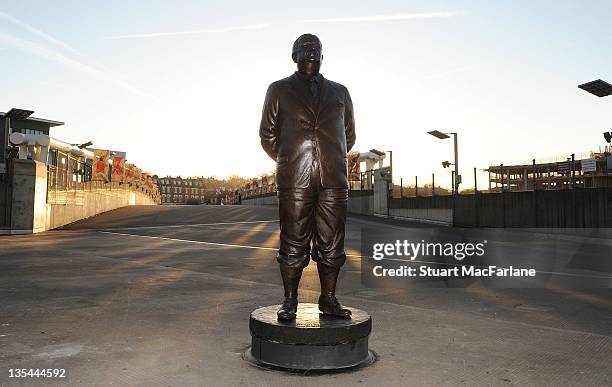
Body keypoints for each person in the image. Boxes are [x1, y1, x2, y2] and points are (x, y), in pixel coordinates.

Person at [259, 33, 356, 320]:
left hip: (333, 178)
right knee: (293, 240)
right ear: (294, 55)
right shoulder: (278, 89)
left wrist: (328, 156)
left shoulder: (340, 92)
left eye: (316, 48)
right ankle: (290, 300)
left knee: (332, 242)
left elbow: (348, 135)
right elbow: (267, 135)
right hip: (294, 178)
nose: (311, 51)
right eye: (305, 47)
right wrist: (290, 158)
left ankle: (328, 299)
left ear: (323, 56)